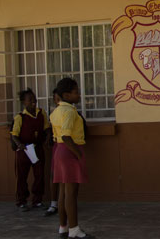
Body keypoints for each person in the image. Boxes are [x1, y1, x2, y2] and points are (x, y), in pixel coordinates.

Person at [50, 78, 93, 238]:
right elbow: (66, 135)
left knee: (63, 192)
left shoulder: (55, 112)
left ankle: (63, 227)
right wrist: (78, 154)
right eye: (76, 92)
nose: (79, 94)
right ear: (67, 95)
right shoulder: (68, 111)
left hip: (60, 150)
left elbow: (57, 136)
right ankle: (74, 229)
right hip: (69, 150)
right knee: (71, 193)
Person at [10, 88, 50, 211]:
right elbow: (14, 134)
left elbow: (47, 128)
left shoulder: (41, 113)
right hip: (25, 149)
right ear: (24, 102)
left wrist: (48, 138)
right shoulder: (20, 117)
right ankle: (21, 200)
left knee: (39, 174)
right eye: (30, 100)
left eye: (35, 99)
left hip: (37, 148)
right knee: (22, 176)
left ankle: (37, 200)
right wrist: (19, 144)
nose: (34, 102)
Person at [45, 89, 62, 217]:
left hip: (66, 146)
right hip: (58, 146)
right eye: (56, 99)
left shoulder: (71, 113)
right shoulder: (54, 114)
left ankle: (65, 203)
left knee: (66, 179)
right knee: (54, 176)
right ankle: (53, 203)